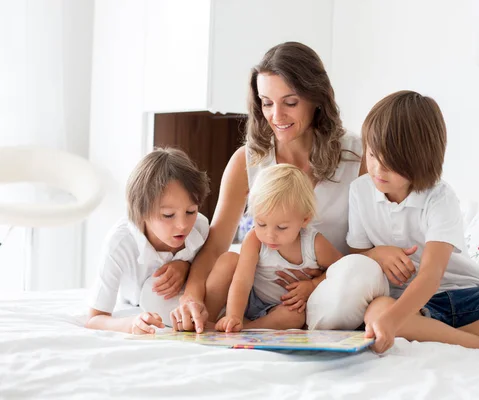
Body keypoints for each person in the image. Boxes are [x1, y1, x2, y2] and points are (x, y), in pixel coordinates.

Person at [169, 42, 419, 333]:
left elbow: (374, 243)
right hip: (258, 290)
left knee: (355, 277)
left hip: (327, 291)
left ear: (316, 99)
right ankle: (224, 326)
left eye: (290, 102)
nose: (276, 116)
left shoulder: (358, 156)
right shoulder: (246, 161)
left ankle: (285, 324)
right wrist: (190, 296)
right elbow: (215, 248)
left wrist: (318, 281)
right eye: (266, 103)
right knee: (219, 269)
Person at [308, 90, 479, 354]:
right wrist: (379, 254)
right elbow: (357, 253)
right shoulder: (360, 190)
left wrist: (392, 321)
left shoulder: (439, 197)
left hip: (469, 294)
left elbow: (431, 276)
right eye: (372, 155)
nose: (377, 169)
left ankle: (459, 338)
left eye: (390, 162)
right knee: (376, 310)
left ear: (420, 160)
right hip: (414, 307)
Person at [85, 147, 210, 334]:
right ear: (142, 212)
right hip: (140, 305)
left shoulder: (199, 226)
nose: (183, 225)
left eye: (191, 211)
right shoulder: (120, 243)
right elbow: (95, 318)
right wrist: (131, 324)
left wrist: (185, 267)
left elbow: (209, 265)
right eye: (168, 215)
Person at [214, 164, 342, 332]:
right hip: (248, 299)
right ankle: (207, 318)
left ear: (305, 220)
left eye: (281, 227)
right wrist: (234, 315)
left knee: (295, 316)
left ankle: (246, 328)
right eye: (261, 224)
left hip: (279, 309)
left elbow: (342, 269)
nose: (269, 235)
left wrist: (313, 284)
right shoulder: (254, 239)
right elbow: (242, 281)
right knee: (228, 261)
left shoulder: (314, 244)